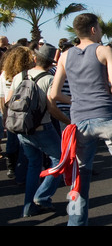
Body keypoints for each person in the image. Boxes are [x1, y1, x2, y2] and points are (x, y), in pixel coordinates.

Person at [51, 13, 112, 226]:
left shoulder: (65, 55)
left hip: (80, 120)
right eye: (100, 29)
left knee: (80, 174)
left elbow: (54, 94)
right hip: (106, 116)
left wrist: (75, 100)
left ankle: (76, 222)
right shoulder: (104, 50)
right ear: (93, 29)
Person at [7, 44, 70, 217]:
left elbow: (8, 100)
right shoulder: (49, 79)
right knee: (60, 160)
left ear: (35, 58)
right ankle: (42, 197)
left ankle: (28, 206)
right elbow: (53, 109)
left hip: (22, 128)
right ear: (51, 63)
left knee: (34, 164)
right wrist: (69, 122)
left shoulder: (19, 76)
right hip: (43, 127)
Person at [0, 46, 34, 183]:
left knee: (11, 141)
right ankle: (21, 174)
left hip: (10, 113)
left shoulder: (4, 75)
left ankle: (11, 168)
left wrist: (4, 115)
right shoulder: (25, 75)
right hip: (24, 114)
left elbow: (3, 98)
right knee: (24, 147)